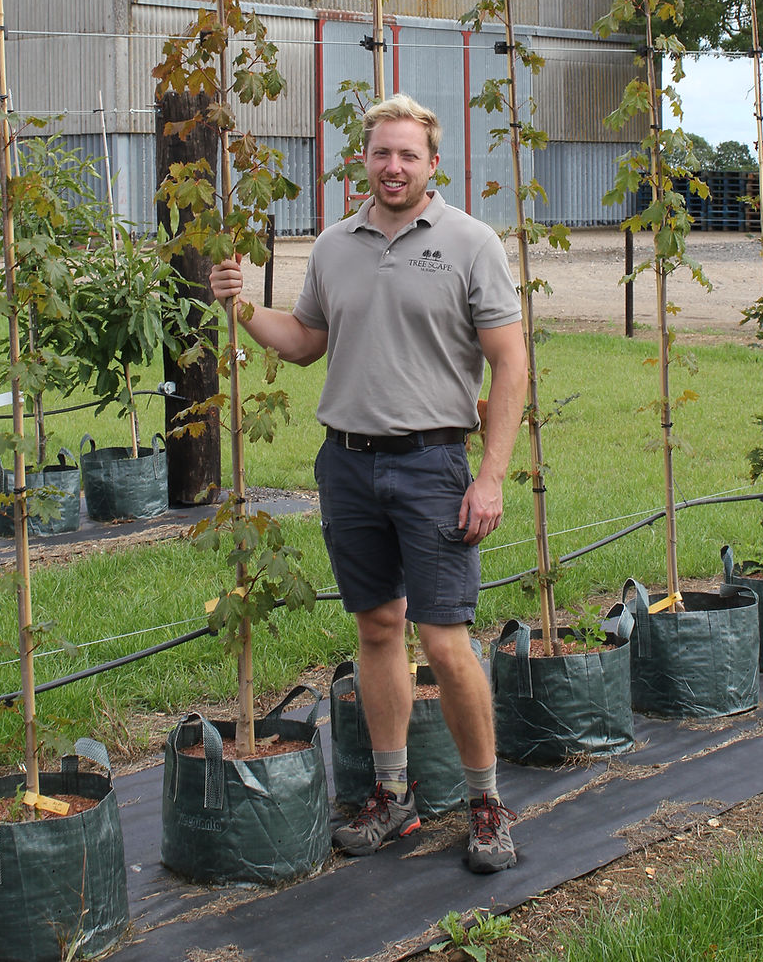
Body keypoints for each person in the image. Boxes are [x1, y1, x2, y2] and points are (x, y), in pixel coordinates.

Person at [210, 94, 528, 873]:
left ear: (432, 164)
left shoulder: (470, 243)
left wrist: (490, 475)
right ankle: (393, 795)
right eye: (381, 153)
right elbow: (306, 342)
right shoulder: (334, 246)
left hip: (432, 465)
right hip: (347, 465)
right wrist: (243, 305)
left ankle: (486, 804)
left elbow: (511, 362)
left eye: (407, 155)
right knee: (377, 632)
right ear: (365, 159)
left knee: (446, 641)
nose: (393, 167)